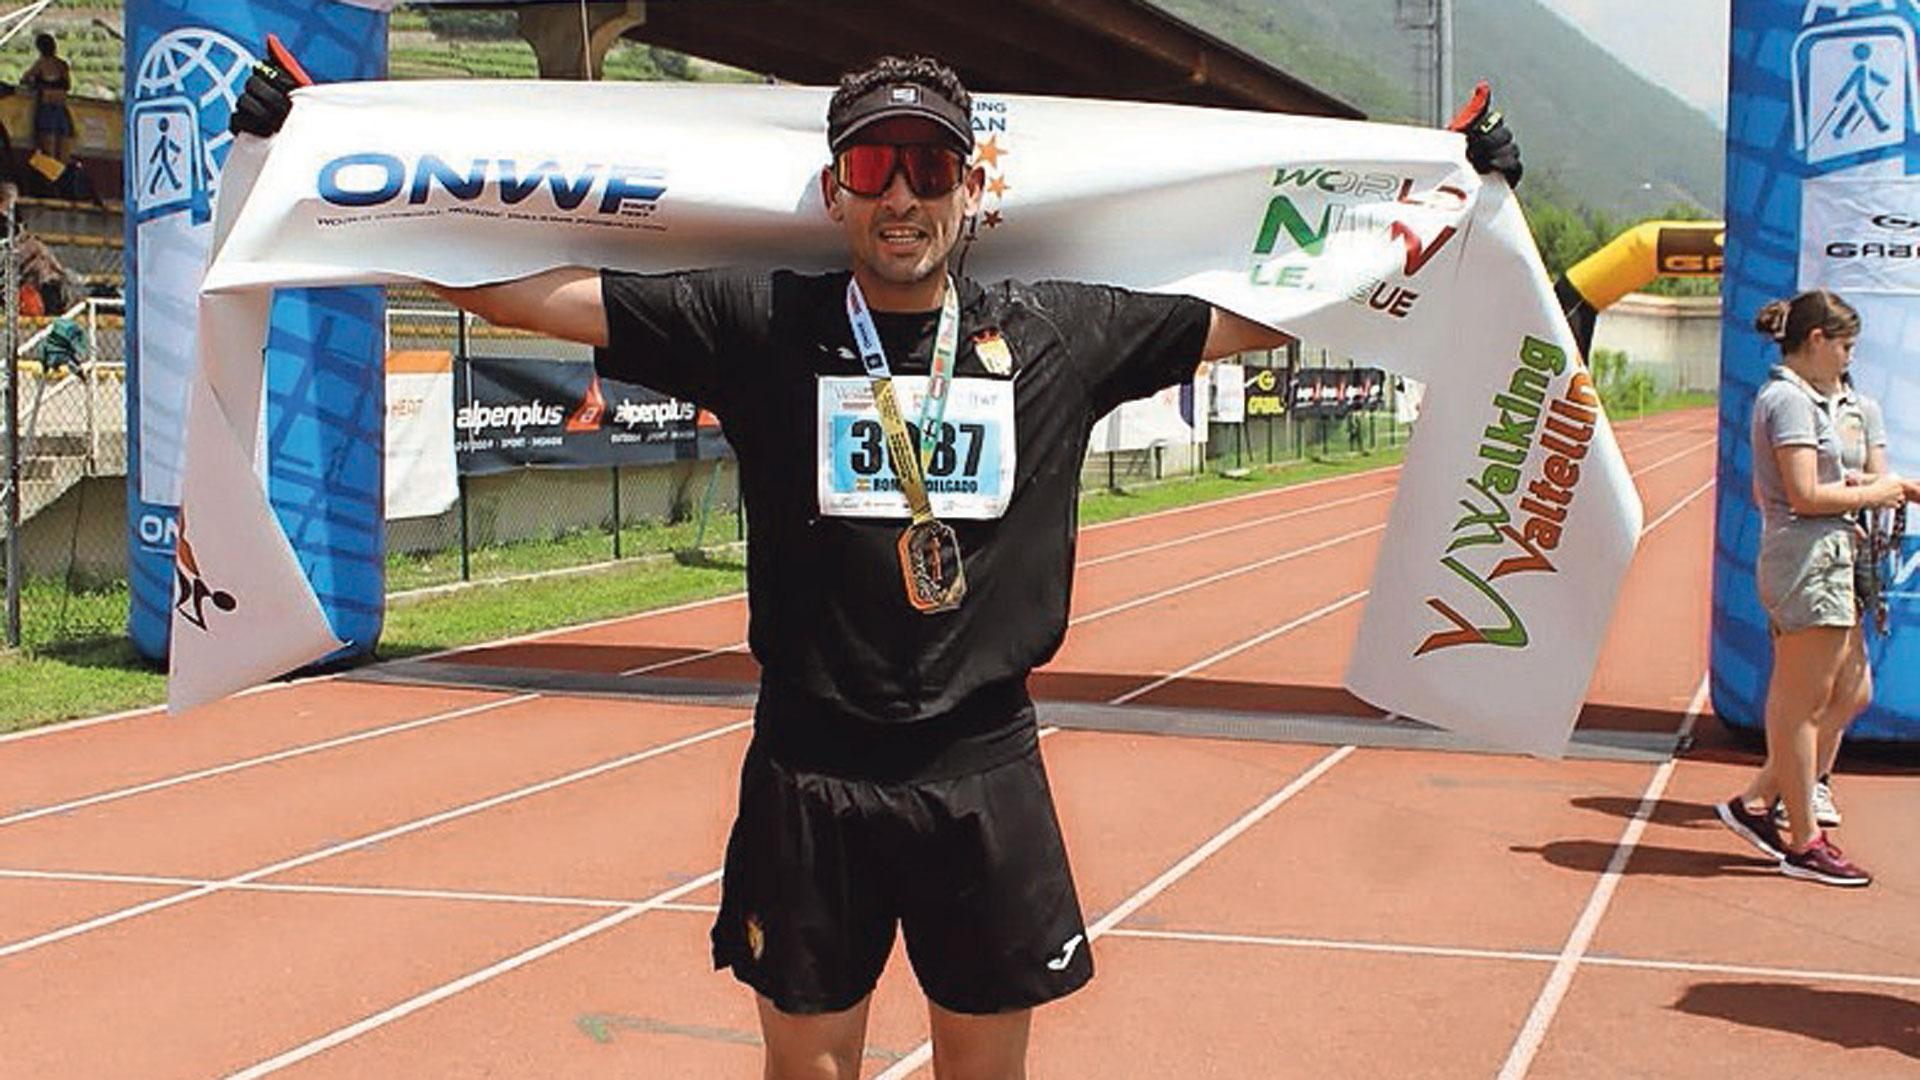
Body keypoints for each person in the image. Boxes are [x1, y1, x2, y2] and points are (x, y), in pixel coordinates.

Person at [234, 50, 1521, 1079]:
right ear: (839, 189)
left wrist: (1458, 205)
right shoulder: (763, 323)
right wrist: (319, 166)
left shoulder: (1060, 329)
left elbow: (1277, 304)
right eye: (873, 162)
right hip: (811, 766)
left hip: (983, 767)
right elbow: (520, 296)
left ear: (971, 189)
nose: (901, 191)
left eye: (928, 163)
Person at [1715, 291, 1918, 888]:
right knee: (1801, 702)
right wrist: (1876, 493)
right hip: (1807, 556)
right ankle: (1803, 840)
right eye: (1845, 345)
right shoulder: (1787, 401)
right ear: (1817, 342)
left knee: (1853, 690)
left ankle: (1755, 801)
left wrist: (1869, 485)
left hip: (1834, 551)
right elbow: (1804, 496)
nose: (1850, 357)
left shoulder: (1817, 401)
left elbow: (1822, 485)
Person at [20, 33, 73, 165]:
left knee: (48, 151)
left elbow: (24, 80)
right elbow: (67, 86)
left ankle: (50, 181)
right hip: (61, 108)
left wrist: (38, 86)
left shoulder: (40, 64)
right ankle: (61, 180)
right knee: (62, 153)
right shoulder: (62, 65)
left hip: (46, 108)